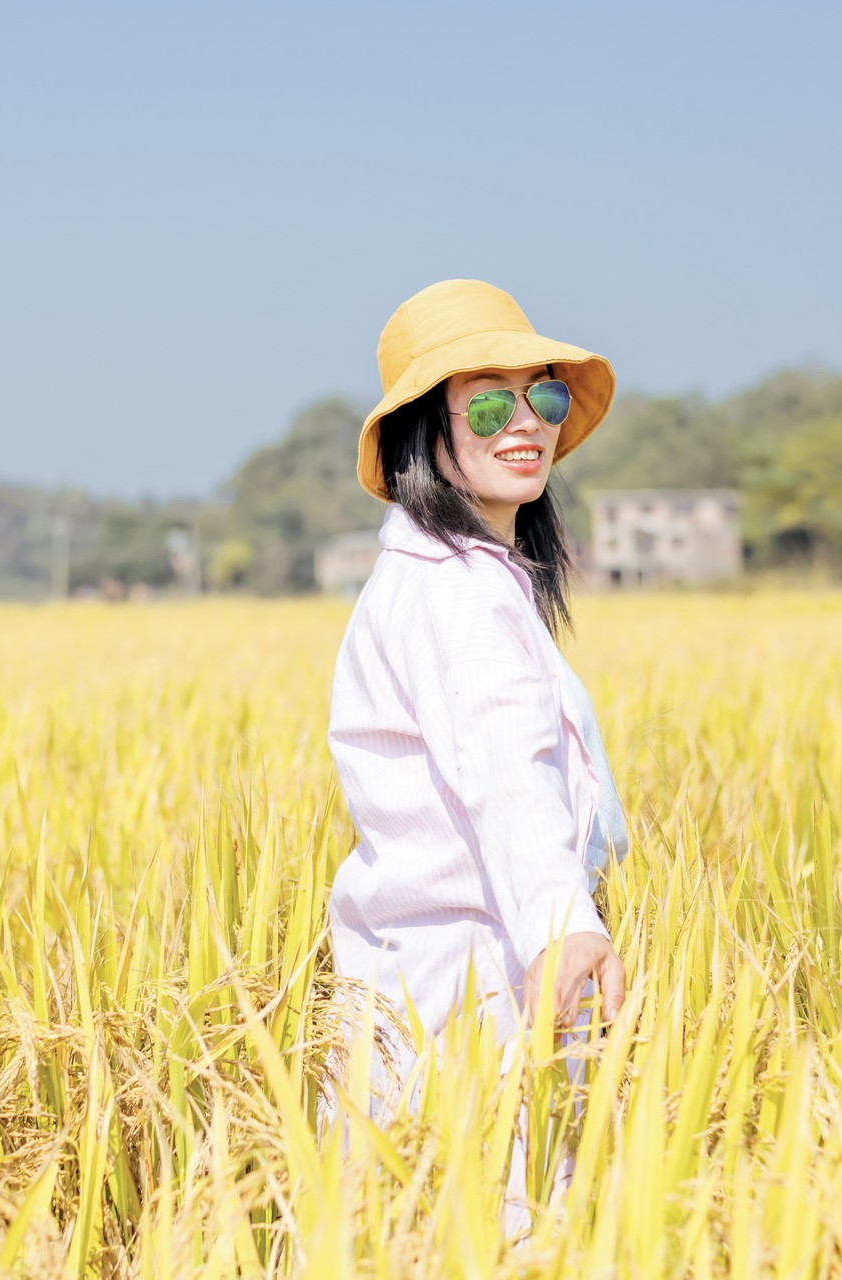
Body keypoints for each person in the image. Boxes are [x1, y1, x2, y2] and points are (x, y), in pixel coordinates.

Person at [323, 279, 632, 1218]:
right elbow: (506, 774)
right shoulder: (457, 591)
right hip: (467, 995)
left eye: (542, 395)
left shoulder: (460, 575)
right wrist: (563, 922)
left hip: (436, 985)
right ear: (425, 433)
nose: (525, 422)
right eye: (489, 405)